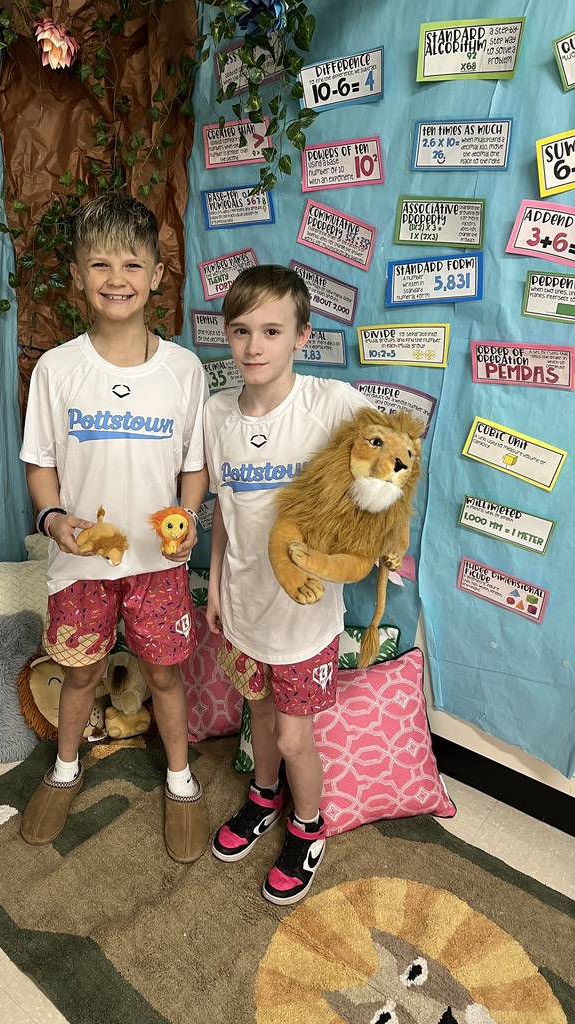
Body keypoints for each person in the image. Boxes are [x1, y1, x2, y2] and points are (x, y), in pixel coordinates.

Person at [19, 192, 210, 863]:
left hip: (159, 565)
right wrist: (52, 518)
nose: (116, 278)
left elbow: (193, 467)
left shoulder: (183, 370)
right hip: (81, 565)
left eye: (132, 264)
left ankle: (181, 780)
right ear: (78, 275)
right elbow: (40, 463)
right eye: (100, 264)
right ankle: (65, 767)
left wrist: (188, 520)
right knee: (79, 675)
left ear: (157, 273)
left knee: (164, 677)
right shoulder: (57, 369)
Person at [203, 264, 374, 904]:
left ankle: (308, 827)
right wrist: (214, 584)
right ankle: (263, 796)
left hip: (305, 619)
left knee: (293, 737)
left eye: (272, 331)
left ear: (302, 335)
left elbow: (385, 473)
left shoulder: (333, 404)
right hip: (244, 608)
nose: (254, 346)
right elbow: (225, 509)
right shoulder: (216, 413)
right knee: (260, 716)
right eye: (242, 330)